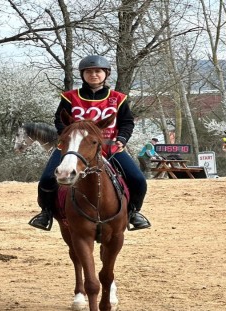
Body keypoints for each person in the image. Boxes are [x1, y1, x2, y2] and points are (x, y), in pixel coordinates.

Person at [28, 55, 151, 231]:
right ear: (83, 75)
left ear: (106, 74)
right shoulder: (70, 97)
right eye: (89, 72)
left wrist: (122, 139)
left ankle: (133, 212)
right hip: (74, 146)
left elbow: (127, 122)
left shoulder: (118, 98)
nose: (93, 74)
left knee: (138, 179)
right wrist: (67, 136)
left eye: (98, 71)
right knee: (47, 179)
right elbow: (59, 120)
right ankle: (45, 213)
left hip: (109, 145)